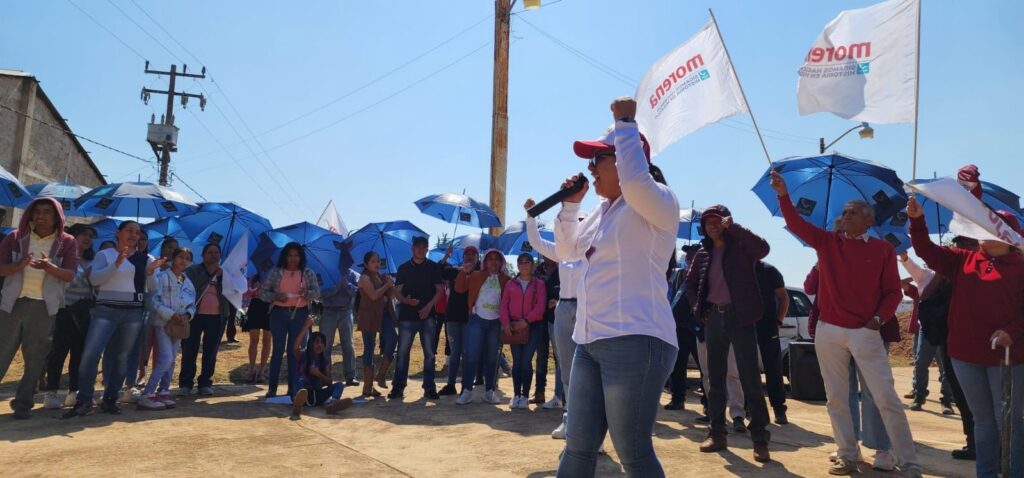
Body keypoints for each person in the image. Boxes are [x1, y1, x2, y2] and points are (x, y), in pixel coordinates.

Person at [554, 98, 679, 478]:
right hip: (589, 343)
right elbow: (566, 251)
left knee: (633, 453)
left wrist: (625, 123)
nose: (590, 168)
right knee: (577, 447)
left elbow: (636, 182)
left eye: (598, 159)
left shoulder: (658, 201)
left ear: (626, 158)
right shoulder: (602, 211)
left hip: (636, 340)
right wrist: (569, 208)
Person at [770, 170, 920, 476]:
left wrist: (878, 319)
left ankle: (908, 462)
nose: (845, 216)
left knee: (885, 397)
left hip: (866, 332)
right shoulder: (827, 243)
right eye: (844, 212)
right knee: (836, 398)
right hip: (829, 331)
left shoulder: (882, 249)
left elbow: (893, 292)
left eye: (852, 212)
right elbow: (797, 224)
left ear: (868, 220)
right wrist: (783, 194)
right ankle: (847, 454)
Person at [907, 196, 1024, 477]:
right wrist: (917, 220)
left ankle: (1015, 472)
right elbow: (926, 250)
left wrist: (1011, 331)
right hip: (964, 355)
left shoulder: (1021, 267)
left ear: (1008, 234)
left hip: (1006, 357)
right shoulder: (963, 259)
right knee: (982, 420)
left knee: (1008, 421)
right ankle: (986, 473)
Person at [683, 205, 772, 461]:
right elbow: (689, 283)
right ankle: (717, 433)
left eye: (717, 221)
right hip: (713, 317)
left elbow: (763, 249)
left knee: (750, 378)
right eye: (707, 222)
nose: (712, 225)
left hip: (741, 317)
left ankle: (760, 439)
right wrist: (698, 308)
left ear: (726, 222)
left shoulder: (741, 247)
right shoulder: (703, 253)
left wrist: (735, 227)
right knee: (715, 379)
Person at [63, 221, 164, 418]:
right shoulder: (105, 255)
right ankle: (84, 399)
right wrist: (117, 263)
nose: (133, 235)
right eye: (129, 230)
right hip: (105, 311)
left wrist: (151, 272)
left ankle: (110, 399)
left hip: (133, 313)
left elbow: (152, 287)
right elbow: (95, 280)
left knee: (121, 358)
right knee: (90, 354)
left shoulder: (147, 259)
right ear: (118, 233)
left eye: (137, 232)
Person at [0, 198, 79, 419]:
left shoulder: (66, 242)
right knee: (1, 353)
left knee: (35, 359)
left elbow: (70, 275)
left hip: (44, 307)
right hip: (12, 304)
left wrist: (49, 267)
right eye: (37, 211)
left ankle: (23, 404)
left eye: (47, 212)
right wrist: (18, 266)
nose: (40, 216)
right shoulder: (15, 237)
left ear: (57, 217)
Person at [524, 199, 582, 436]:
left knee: (589, 370)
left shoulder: (595, 250)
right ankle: (570, 419)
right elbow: (536, 242)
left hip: (587, 309)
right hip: (564, 309)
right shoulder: (562, 252)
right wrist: (531, 217)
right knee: (567, 368)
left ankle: (593, 430)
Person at [42, 223, 96, 410]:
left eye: (90, 236)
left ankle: (74, 392)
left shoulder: (92, 261)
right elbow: (60, 281)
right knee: (58, 352)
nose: (88, 239)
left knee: (79, 353)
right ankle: (51, 392)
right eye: (83, 234)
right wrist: (84, 277)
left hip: (85, 311)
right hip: (64, 309)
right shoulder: (61, 258)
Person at [260, 242, 321, 398]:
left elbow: (316, 292)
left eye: (296, 255)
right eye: (290, 255)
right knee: (278, 350)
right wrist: (275, 296)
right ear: (285, 257)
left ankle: (294, 387)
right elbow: (263, 293)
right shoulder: (276, 272)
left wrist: (307, 293)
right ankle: (272, 388)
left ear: (301, 257)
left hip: (300, 314)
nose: (293, 259)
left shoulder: (307, 272)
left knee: (295, 351)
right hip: (278, 314)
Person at [138, 247, 195, 411]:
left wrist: (187, 315)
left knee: (172, 359)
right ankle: (148, 393)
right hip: (163, 323)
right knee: (166, 357)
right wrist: (171, 314)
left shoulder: (188, 282)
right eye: (181, 257)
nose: (184, 260)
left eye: (187, 258)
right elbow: (154, 301)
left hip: (179, 326)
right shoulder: (162, 277)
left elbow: (192, 304)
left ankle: (164, 390)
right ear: (173, 258)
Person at [898, 252, 954, 414]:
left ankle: (947, 401)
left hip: (947, 328)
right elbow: (911, 266)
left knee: (946, 366)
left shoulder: (954, 277)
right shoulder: (925, 275)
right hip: (927, 328)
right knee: (921, 362)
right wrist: (904, 256)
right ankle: (919, 397)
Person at [389, 236, 443, 400]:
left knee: (430, 353)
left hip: (428, 317)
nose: (420, 249)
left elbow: (440, 290)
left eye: (423, 247)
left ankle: (429, 387)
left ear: (427, 249)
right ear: (412, 248)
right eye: (417, 246)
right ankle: (398, 387)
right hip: (407, 316)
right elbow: (397, 291)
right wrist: (405, 301)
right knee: (402, 352)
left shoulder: (433, 267)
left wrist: (429, 307)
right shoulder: (404, 268)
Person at [455, 249, 511, 405]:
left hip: (495, 322)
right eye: (490, 259)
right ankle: (467, 391)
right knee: (471, 356)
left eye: (496, 259)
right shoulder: (475, 275)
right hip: (477, 319)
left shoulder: (506, 279)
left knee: (492, 358)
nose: (493, 262)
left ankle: (489, 392)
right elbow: (459, 288)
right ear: (485, 262)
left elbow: (510, 300)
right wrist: (464, 272)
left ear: (501, 262)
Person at [178, 244, 232, 397]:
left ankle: (205, 383)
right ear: (203, 255)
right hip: (194, 315)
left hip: (217, 316)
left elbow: (232, 291)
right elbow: (190, 287)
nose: (213, 255)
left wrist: (222, 277)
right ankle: (186, 383)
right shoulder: (193, 270)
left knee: (211, 350)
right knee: (189, 349)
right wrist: (209, 273)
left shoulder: (225, 272)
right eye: (210, 252)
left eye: (216, 252)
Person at [501, 253, 547, 409]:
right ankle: (516, 395)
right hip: (514, 327)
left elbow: (540, 307)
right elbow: (504, 305)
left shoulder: (539, 284)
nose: (524, 265)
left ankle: (525, 395)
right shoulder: (511, 284)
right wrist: (506, 324)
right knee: (517, 361)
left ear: (532, 265)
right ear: (518, 265)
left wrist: (526, 321)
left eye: (527, 262)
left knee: (526, 361)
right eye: (521, 262)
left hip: (533, 326)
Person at [437, 245, 480, 396]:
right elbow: (438, 270)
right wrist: (446, 256)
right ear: (463, 257)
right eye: (467, 254)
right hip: (452, 317)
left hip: (471, 318)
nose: (469, 256)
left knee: (468, 353)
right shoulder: (454, 271)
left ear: (477, 258)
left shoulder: (480, 275)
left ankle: (466, 386)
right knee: (454, 353)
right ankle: (451, 385)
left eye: (473, 254)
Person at [356, 251, 395, 398]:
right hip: (369, 315)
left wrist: (390, 285)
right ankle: (368, 386)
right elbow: (373, 295)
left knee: (393, 338)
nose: (377, 264)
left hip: (382, 314)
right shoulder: (364, 278)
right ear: (366, 264)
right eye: (373, 261)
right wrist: (386, 286)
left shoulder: (380, 276)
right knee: (369, 348)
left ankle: (381, 374)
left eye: (378, 261)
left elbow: (389, 296)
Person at [755, 260, 790, 424]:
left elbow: (783, 298)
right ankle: (751, 409)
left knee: (773, 369)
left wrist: (778, 321)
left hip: (768, 326)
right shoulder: (739, 268)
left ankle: (779, 409)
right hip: (745, 326)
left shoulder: (769, 270)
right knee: (747, 370)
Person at [291, 327, 353, 418]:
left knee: (339, 385)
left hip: (317, 395)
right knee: (300, 381)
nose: (319, 345)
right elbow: (295, 347)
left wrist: (318, 374)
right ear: (311, 343)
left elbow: (329, 382)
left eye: (322, 342)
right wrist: (306, 326)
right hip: (304, 395)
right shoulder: (303, 355)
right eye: (317, 342)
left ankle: (333, 404)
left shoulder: (325, 361)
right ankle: (297, 405)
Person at [320, 257, 360, 387]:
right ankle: (325, 376)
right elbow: (321, 293)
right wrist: (336, 288)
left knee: (348, 345)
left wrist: (346, 285)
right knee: (325, 346)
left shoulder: (354, 275)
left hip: (346, 312)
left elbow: (357, 292)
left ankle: (350, 376)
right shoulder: (328, 273)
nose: (344, 264)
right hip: (329, 312)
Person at [535, 256, 563, 409]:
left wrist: (558, 303)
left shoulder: (564, 269)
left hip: (556, 319)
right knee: (541, 356)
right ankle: (539, 392)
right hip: (539, 319)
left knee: (559, 357)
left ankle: (560, 395)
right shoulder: (537, 271)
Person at [243, 273, 272, 383]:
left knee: (267, 340)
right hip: (255, 306)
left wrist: (266, 294)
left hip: (269, 307)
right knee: (253, 340)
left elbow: (278, 293)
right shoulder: (254, 276)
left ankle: (262, 371)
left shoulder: (275, 275)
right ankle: (252, 369)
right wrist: (255, 291)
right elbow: (246, 294)